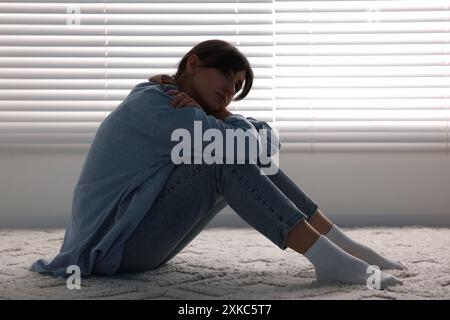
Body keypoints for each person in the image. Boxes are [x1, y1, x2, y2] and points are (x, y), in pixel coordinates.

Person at [31, 39, 405, 289]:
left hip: (132, 242)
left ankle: (339, 245)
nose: (230, 90)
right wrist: (231, 118)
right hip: (112, 250)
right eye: (226, 76)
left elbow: (264, 150)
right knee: (223, 161)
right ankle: (329, 257)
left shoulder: (180, 106)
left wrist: (226, 115)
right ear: (193, 64)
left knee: (232, 156)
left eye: (237, 87)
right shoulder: (160, 107)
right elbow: (251, 146)